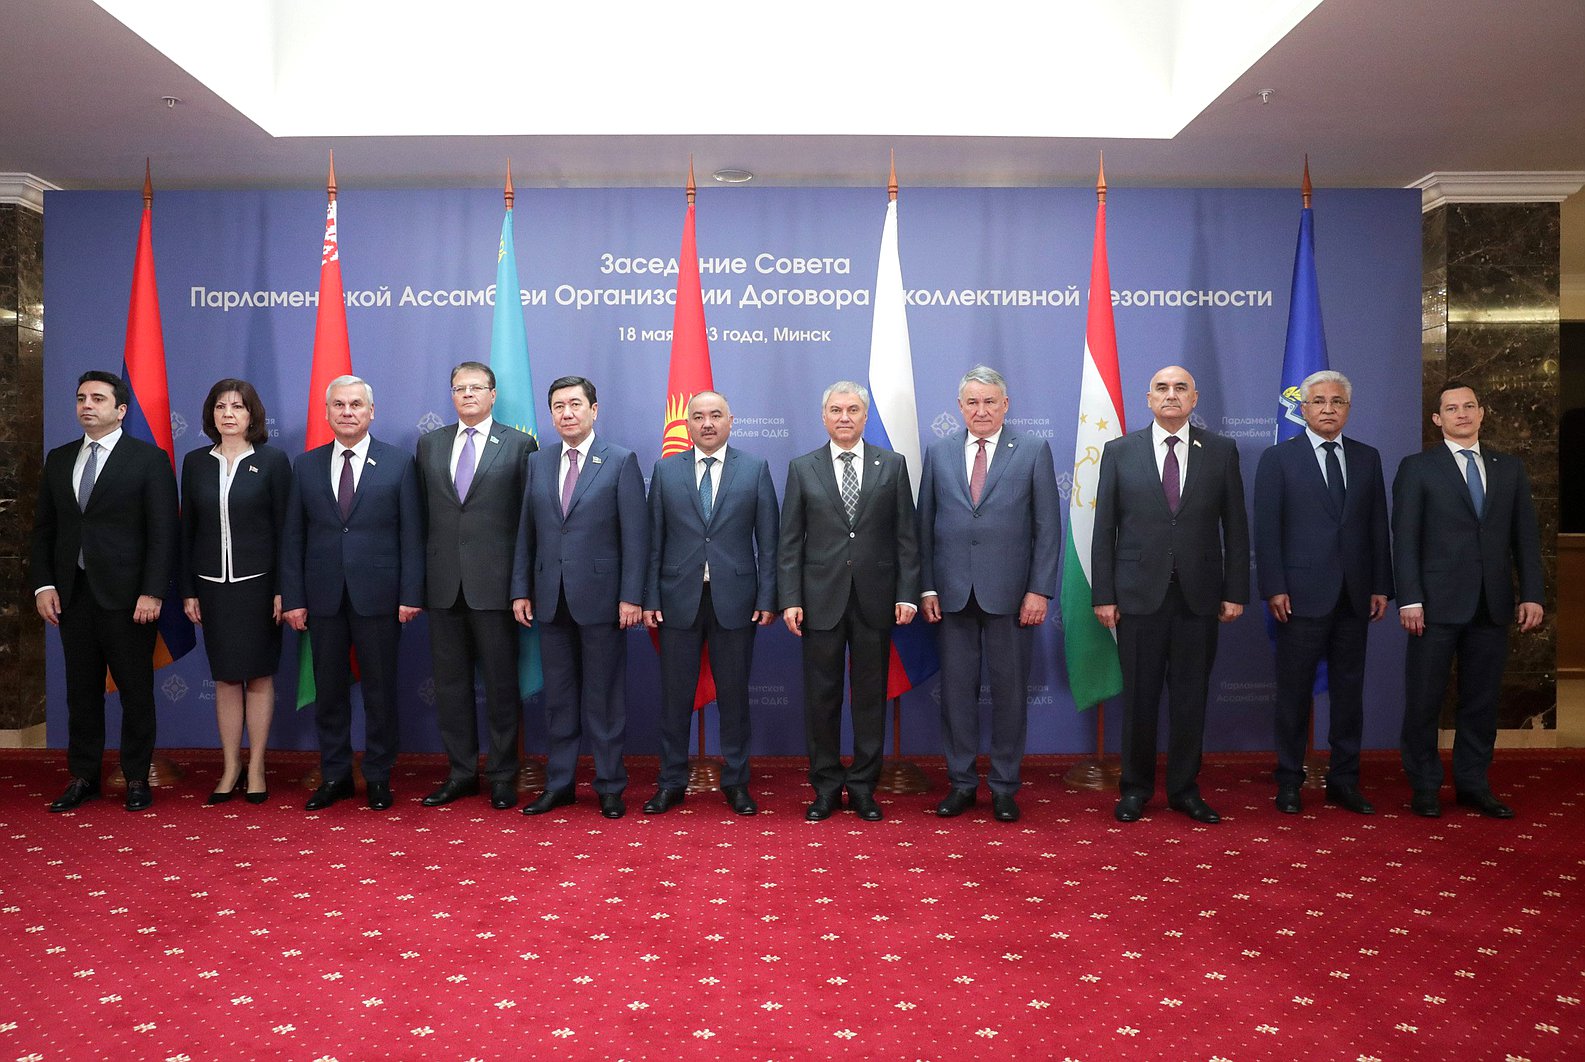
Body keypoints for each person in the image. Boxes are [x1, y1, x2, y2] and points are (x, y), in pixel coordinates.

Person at [1092, 365, 1249, 825]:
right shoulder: (1120, 451)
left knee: (1190, 698)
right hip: (1138, 597)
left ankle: (1184, 789)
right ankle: (1135, 789)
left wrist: (1235, 589)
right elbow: (1104, 532)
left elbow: (1236, 528)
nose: (1171, 395)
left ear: (1194, 398)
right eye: (1162, 387)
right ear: (1148, 398)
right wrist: (1105, 594)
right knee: (1139, 698)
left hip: (1199, 598)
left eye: (1181, 388)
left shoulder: (1221, 451)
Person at [1393, 380, 1544, 819]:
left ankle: (1473, 784)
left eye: (1469, 406)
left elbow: (1526, 539)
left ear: (1481, 413)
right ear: (1437, 419)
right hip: (1433, 606)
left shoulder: (1508, 468)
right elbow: (1405, 540)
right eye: (1451, 408)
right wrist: (1410, 599)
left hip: (1492, 604)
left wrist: (1532, 593)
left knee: (1481, 700)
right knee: (1424, 699)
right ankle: (1424, 785)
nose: (1462, 413)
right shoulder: (1418, 467)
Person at [31, 370, 179, 813]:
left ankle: (136, 777)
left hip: (130, 600)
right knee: (81, 692)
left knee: (135, 691)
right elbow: (44, 531)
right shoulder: (59, 459)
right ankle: (83, 777)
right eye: (80, 398)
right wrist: (43, 584)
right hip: (72, 597)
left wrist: (153, 592)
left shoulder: (147, 459)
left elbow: (162, 533)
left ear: (120, 410)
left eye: (97, 398)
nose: (86, 405)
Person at [918, 366, 1060, 824]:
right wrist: (927, 586)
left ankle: (1003, 786)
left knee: (1010, 695)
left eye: (990, 402)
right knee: (956, 696)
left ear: (1005, 405)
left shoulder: (1034, 450)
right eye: (972, 402)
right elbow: (924, 527)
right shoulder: (938, 452)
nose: (981, 410)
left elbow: (1047, 529)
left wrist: (1039, 590)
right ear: (959, 407)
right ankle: (961, 784)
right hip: (953, 595)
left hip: (1013, 597)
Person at [281, 375, 424, 812]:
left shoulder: (399, 463)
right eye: (339, 405)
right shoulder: (305, 465)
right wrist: (294, 598)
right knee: (329, 692)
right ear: (327, 413)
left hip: (381, 597)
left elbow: (413, 535)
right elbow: (293, 538)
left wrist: (410, 593)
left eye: (356, 405)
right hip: (322, 597)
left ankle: (379, 775)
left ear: (371, 411)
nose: (347, 412)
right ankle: (336, 775)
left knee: (380, 691)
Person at [778, 381, 920, 823]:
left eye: (853, 409)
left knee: (869, 698)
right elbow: (789, 543)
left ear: (865, 415)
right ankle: (824, 788)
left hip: (876, 601)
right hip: (819, 601)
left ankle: (862, 787)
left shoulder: (891, 465)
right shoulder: (803, 468)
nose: (844, 417)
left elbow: (906, 538)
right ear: (824, 416)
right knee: (821, 699)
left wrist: (907, 594)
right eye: (836, 409)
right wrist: (790, 598)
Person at [1254, 370, 1393, 815]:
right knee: (1294, 693)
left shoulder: (1368, 457)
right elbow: (1267, 530)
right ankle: (1290, 780)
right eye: (1319, 401)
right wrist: (1274, 586)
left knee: (1349, 694)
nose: (1328, 409)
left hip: (1355, 596)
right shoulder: (1279, 459)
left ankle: (1344, 781)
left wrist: (1380, 586)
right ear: (1304, 408)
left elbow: (1377, 527)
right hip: (1299, 596)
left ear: (1348, 409)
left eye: (1337, 402)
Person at [511, 376, 647, 820]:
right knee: (559, 699)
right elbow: (525, 535)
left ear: (594, 409)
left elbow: (636, 537)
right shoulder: (538, 462)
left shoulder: (620, 460)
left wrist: (631, 597)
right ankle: (560, 784)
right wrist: (520, 590)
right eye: (558, 406)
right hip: (550, 599)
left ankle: (609, 786)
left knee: (604, 699)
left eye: (574, 404)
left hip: (605, 601)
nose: (566, 413)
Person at [642, 391, 780, 816]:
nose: (706, 423)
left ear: (730, 420)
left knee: (735, 697)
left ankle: (736, 782)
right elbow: (653, 542)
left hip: (736, 601)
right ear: (687, 425)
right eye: (698, 416)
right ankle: (671, 782)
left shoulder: (754, 469)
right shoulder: (666, 471)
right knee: (675, 698)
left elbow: (770, 543)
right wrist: (649, 597)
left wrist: (767, 596)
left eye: (715, 415)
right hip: (676, 600)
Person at [415, 362, 536, 811]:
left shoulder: (521, 445)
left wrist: (522, 584)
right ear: (451, 395)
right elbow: (421, 517)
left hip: (497, 586)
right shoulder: (429, 444)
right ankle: (461, 773)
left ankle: (504, 774)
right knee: (450, 687)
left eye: (476, 388)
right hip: (443, 585)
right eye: (459, 388)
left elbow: (528, 522)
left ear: (493, 393)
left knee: (502, 687)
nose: (467, 394)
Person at [179, 378, 291, 806]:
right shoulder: (195, 463)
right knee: (225, 678)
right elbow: (186, 529)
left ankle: (258, 765)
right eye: (221, 406)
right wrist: (188, 589)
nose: (228, 413)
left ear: (252, 415)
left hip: (260, 587)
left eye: (238, 407)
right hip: (211, 588)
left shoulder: (273, 461)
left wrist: (284, 588)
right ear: (211, 415)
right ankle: (230, 766)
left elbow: (286, 531)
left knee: (259, 675)